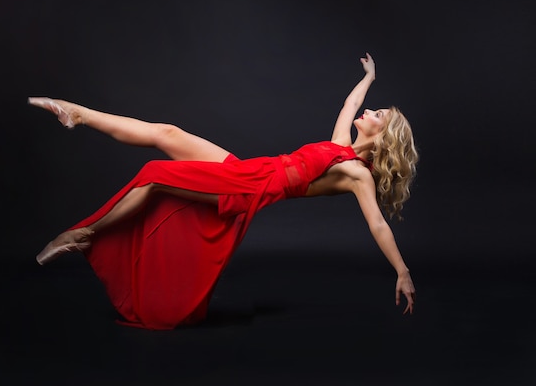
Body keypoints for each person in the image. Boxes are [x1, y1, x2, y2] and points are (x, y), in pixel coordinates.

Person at [29, 52, 418, 330]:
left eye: (378, 115)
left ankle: (84, 234)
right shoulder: (340, 145)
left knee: (154, 175)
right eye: (375, 108)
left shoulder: (356, 174)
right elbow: (351, 103)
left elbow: (378, 226)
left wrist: (401, 271)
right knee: (167, 133)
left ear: (382, 139)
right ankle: (76, 113)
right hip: (246, 170)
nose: (370, 112)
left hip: (246, 192)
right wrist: (368, 78)